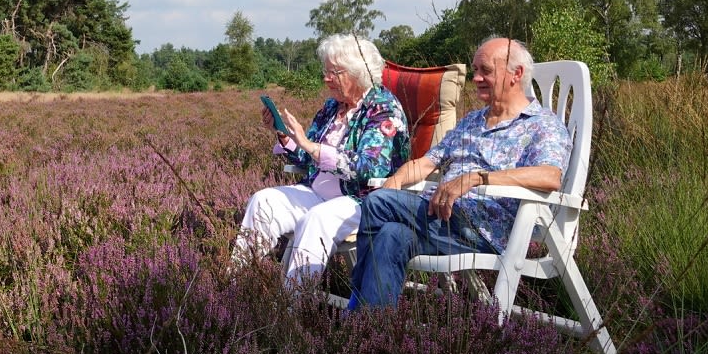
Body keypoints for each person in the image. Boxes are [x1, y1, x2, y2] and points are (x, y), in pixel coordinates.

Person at [348, 37, 571, 309]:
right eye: (475, 70)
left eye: (485, 70)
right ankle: (372, 336)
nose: (476, 78)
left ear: (517, 74)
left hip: (485, 230)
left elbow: (549, 176)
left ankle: (352, 319)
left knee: (377, 203)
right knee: (389, 235)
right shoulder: (472, 122)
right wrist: (396, 180)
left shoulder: (542, 125)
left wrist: (476, 178)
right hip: (440, 217)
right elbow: (428, 162)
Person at [233, 34, 410, 283]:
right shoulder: (331, 107)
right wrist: (285, 137)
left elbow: (371, 167)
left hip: (363, 201)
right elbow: (309, 155)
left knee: (318, 218)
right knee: (263, 200)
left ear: (358, 71)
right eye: (325, 71)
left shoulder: (383, 109)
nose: (326, 78)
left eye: (334, 72)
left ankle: (291, 307)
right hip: (316, 192)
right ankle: (232, 288)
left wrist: (312, 147)